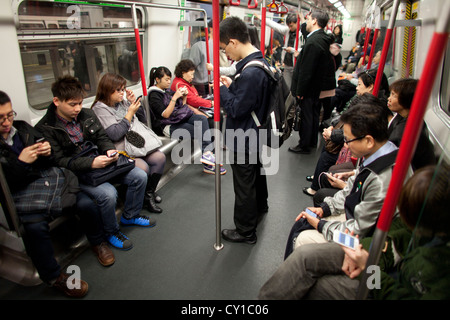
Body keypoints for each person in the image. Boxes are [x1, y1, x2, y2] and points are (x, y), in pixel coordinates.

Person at [258, 164, 450, 300]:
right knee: (305, 256)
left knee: (316, 285)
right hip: (368, 252)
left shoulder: (438, 269)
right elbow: (386, 241)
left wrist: (369, 269)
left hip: (377, 280)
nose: (346, 143)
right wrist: (362, 252)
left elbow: (391, 291)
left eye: (349, 139)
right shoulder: (414, 230)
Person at [0, 90, 114, 298]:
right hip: (20, 193)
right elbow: (5, 185)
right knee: (34, 228)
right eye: (1, 118)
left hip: (48, 180)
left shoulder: (22, 128)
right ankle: (54, 277)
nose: (7, 122)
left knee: (86, 204)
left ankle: (98, 242)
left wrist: (45, 152)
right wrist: (21, 162)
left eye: (9, 115)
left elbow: (49, 159)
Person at [36, 76, 155, 251]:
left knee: (139, 175)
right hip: (76, 173)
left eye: (79, 103)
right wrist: (91, 163)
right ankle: (111, 232)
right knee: (108, 194)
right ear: (56, 101)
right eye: (72, 104)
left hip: (100, 162)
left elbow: (102, 137)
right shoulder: (46, 128)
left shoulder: (87, 114)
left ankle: (130, 215)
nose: (77, 108)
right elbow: (59, 161)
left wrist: (108, 150)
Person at [289, 99, 403, 251]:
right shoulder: (374, 154)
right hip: (356, 220)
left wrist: (321, 225)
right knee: (302, 222)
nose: (345, 145)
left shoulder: (382, 180)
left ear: (368, 140)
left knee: (302, 239)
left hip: (362, 242)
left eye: (348, 140)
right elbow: (350, 191)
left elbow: (357, 233)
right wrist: (325, 209)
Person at [218, 16, 271, 244]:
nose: (227, 56)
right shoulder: (260, 62)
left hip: (243, 135)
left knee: (244, 184)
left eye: (224, 49)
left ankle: (245, 231)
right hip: (255, 130)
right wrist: (234, 87)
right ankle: (261, 206)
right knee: (256, 172)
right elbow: (249, 99)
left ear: (233, 42)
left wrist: (222, 89)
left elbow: (236, 109)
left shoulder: (250, 72)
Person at [91, 73, 166, 213]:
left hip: (135, 144)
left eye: (123, 89)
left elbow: (142, 121)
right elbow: (114, 134)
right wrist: (130, 113)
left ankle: (148, 195)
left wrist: (133, 104)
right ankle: (137, 199)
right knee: (142, 167)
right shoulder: (100, 109)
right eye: (118, 90)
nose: (122, 93)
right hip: (120, 149)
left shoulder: (122, 103)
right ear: (108, 90)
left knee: (159, 158)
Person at [147, 66, 226, 175]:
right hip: (167, 126)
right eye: (166, 79)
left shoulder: (166, 91)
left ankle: (207, 154)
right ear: (157, 79)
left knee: (202, 119)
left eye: (170, 79)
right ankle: (208, 162)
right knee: (200, 130)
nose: (169, 82)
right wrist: (175, 97)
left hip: (177, 119)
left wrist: (184, 97)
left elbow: (181, 108)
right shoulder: (154, 95)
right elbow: (165, 115)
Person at [289, 10, 336, 154]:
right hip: (316, 86)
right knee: (314, 114)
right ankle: (311, 142)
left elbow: (306, 71)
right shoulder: (321, 38)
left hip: (308, 88)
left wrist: (300, 92)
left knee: (306, 116)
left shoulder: (313, 43)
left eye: (308, 19)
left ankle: (304, 144)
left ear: (314, 21)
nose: (306, 22)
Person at [387, 78, 435, 171]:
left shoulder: (404, 130)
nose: (389, 98)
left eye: (394, 95)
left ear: (406, 99)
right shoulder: (408, 118)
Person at [258, 12, 299, 88]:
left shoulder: (302, 33)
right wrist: (262, 17)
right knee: (286, 87)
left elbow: (304, 49)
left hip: (297, 65)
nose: (290, 28)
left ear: (297, 23)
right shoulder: (287, 31)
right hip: (287, 64)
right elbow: (275, 26)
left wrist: (293, 50)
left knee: (295, 88)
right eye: (288, 26)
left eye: (291, 26)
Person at [170, 59, 215, 127]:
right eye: (191, 74)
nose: (192, 77)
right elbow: (193, 100)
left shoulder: (185, 82)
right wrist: (210, 103)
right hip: (188, 112)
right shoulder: (180, 85)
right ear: (183, 73)